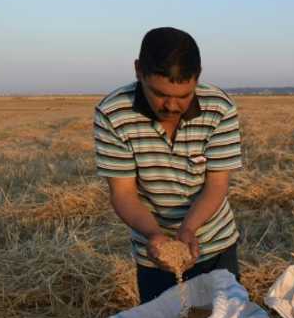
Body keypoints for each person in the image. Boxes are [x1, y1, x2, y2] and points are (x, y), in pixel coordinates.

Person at [94, 27, 243, 303]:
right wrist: (154, 235)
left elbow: (216, 185)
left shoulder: (219, 108)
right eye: (159, 93)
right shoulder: (113, 114)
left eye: (184, 95)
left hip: (214, 244)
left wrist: (188, 229)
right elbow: (123, 193)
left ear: (198, 76)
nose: (172, 106)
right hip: (153, 250)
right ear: (139, 71)